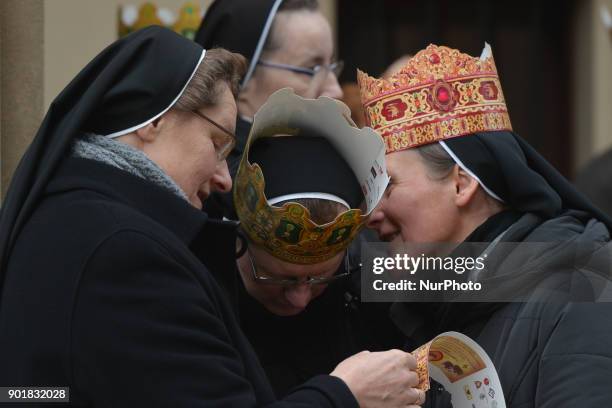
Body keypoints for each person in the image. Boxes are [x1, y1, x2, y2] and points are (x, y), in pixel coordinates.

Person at [0, 26, 424, 407]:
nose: (224, 176)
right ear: (155, 121)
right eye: (217, 142)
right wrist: (342, 397)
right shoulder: (125, 253)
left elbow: (480, 273)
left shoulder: (89, 221)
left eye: (318, 279)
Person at [357, 43, 612, 407]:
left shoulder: (585, 292)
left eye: (388, 185)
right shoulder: (422, 303)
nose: (371, 215)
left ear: (462, 183)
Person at [227, 89, 404, 396]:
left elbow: (505, 273)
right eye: (279, 278)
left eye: (320, 277)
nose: (300, 299)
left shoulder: (370, 273)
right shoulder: (200, 299)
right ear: (239, 243)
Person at [195, 0, 343, 219]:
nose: (336, 90)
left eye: (331, 66)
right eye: (312, 69)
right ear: (240, 78)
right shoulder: (220, 177)